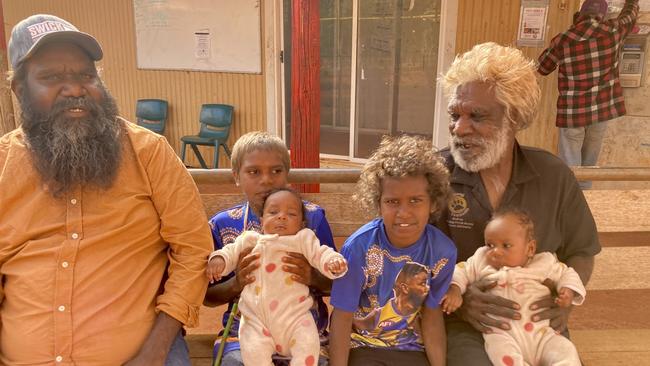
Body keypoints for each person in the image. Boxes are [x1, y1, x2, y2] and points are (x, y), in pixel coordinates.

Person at [0, 14, 213, 365]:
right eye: (52, 77)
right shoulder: (5, 164)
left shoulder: (148, 152)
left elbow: (193, 250)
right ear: (20, 89)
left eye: (86, 75)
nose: (74, 89)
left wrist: (155, 350)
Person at [436, 42, 601, 366]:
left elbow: (582, 250)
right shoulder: (436, 176)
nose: (459, 128)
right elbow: (402, 257)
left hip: (541, 326)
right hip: (464, 326)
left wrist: (563, 301)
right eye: (455, 115)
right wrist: (460, 299)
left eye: (476, 116)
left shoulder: (553, 176)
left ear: (513, 118)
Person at [205, 131, 336, 366]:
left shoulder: (312, 219)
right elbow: (207, 296)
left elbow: (336, 283)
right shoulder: (223, 224)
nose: (266, 180)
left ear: (287, 175)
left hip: (304, 328)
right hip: (245, 329)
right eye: (254, 172)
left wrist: (312, 277)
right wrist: (236, 283)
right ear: (237, 176)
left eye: (276, 171)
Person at [329, 135, 457, 366]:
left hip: (412, 348)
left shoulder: (442, 252)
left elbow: (431, 313)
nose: (404, 212)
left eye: (416, 200)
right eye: (392, 202)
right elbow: (342, 316)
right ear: (378, 203)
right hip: (364, 346)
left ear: (434, 202)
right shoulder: (359, 247)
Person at [206, 188, 347, 365]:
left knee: (308, 345)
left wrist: (333, 261)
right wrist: (219, 259)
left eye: (291, 213)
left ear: (302, 224)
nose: (281, 216)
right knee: (253, 352)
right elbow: (230, 252)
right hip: (257, 320)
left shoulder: (303, 240)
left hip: (296, 317)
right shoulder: (250, 240)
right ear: (262, 221)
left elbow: (321, 254)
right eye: (273, 212)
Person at [441, 208, 586, 366]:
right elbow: (460, 270)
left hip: (542, 335)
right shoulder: (481, 259)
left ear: (530, 248)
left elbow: (567, 274)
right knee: (501, 354)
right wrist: (455, 289)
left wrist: (568, 292)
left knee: (566, 351)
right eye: (490, 245)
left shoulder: (544, 263)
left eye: (506, 245)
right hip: (502, 334)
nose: (495, 252)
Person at [538, 0, 639, 189]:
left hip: (572, 114)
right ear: (602, 15)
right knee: (590, 166)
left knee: (570, 167)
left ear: (579, 15)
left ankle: (570, 206)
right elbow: (630, 16)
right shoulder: (614, 31)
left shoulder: (564, 38)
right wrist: (631, 2)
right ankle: (586, 202)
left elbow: (543, 67)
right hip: (601, 112)